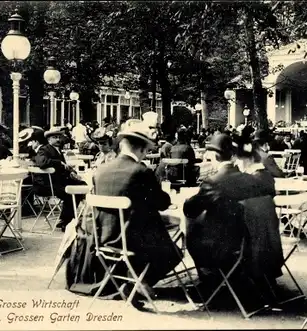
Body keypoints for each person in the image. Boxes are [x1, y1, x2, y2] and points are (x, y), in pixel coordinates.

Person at [84, 121, 181, 307]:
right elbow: (162, 203)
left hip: (103, 238)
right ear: (143, 149)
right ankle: (136, 284)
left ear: (122, 145)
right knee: (175, 252)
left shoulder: (101, 170)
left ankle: (131, 281)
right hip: (133, 241)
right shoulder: (141, 171)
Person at [183, 133, 279, 311]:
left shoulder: (213, 182)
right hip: (252, 243)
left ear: (212, 157)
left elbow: (190, 209)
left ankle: (209, 283)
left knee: (193, 232)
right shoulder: (252, 179)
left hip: (224, 247)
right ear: (233, 156)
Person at [233, 130, 284, 304]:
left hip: (249, 241)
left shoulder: (245, 180)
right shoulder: (266, 177)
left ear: (246, 161)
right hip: (269, 243)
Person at [33, 127, 86, 230]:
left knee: (82, 186)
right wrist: (59, 163)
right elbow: (41, 162)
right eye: (54, 137)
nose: (58, 139)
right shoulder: (44, 149)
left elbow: (64, 168)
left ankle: (65, 219)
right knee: (70, 193)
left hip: (58, 182)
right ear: (49, 140)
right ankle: (67, 221)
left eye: (58, 137)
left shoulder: (58, 150)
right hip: (46, 184)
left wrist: (72, 172)